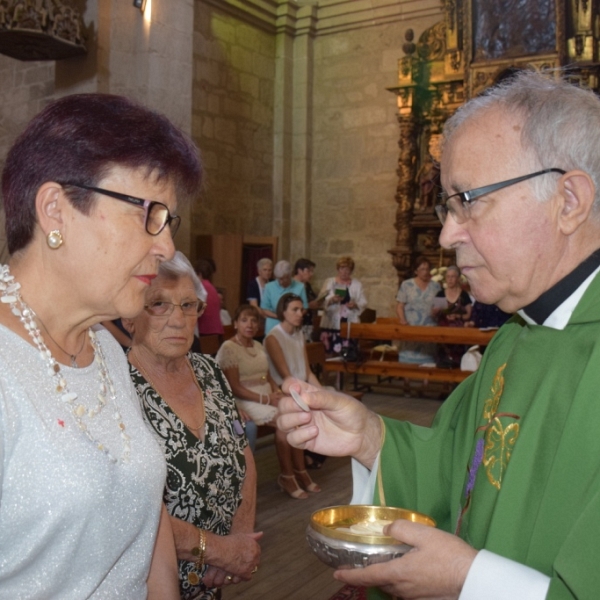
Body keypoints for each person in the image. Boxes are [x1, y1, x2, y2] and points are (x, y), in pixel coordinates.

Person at [277, 70, 600, 600]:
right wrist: (370, 437)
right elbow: (456, 462)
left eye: (468, 199)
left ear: (569, 201)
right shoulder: (515, 341)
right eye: (447, 207)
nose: (449, 233)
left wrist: (471, 582)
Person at [0, 93, 202, 598]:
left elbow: (146, 516)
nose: (168, 247)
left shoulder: (106, 351)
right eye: (148, 213)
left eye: (168, 220)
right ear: (56, 210)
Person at [123, 252, 261, 599]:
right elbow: (130, 513)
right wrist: (218, 551)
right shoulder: (117, 389)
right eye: (158, 305)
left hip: (212, 579)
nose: (178, 320)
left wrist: (239, 540)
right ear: (128, 317)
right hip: (149, 582)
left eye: (188, 305)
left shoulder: (208, 371)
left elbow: (243, 454)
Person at [217, 304, 315, 499]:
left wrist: (277, 393)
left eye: (254, 321)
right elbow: (234, 387)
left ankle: (300, 471)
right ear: (235, 324)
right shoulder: (229, 348)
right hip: (244, 400)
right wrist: (266, 399)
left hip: (266, 397)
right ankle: (287, 476)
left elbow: (268, 376)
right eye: (244, 320)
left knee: (297, 416)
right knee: (284, 424)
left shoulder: (258, 345)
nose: (250, 325)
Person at [265, 293, 322, 495]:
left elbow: (307, 372)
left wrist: (321, 393)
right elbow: (287, 377)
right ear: (283, 312)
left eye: (301, 309)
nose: (300, 314)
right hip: (282, 390)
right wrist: (308, 395)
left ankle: (301, 470)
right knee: (293, 421)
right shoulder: (273, 337)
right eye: (294, 310)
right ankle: (289, 475)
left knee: (327, 401)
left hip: (299, 389)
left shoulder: (298, 334)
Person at [395, 256, 441, 363]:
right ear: (416, 271)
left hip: (429, 327)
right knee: (408, 362)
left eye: (427, 269)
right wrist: (402, 319)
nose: (425, 272)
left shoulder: (436, 286)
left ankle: (426, 379)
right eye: (422, 269)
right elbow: (400, 305)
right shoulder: (406, 285)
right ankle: (406, 379)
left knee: (427, 361)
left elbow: (441, 306)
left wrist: (437, 311)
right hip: (411, 326)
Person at [319, 256, 367, 355]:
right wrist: (332, 299)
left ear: (351, 270)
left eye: (347, 269)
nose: (344, 272)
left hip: (349, 323)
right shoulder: (330, 282)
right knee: (330, 353)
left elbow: (363, 301)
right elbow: (321, 300)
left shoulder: (357, 284)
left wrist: (355, 304)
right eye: (342, 268)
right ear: (338, 269)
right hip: (331, 322)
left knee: (348, 353)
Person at [433, 266, 473, 367]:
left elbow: (469, 315)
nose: (450, 279)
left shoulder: (464, 295)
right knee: (443, 364)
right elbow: (434, 314)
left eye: (453, 276)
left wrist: (457, 316)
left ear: (458, 278)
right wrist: (435, 310)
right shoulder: (441, 293)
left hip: (459, 334)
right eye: (448, 277)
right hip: (443, 334)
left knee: (457, 363)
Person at [260, 260, 308, 335]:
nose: (281, 281)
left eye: (283, 278)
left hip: (292, 327)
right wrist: (280, 316)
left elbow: (305, 308)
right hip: (273, 326)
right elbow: (264, 309)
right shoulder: (269, 287)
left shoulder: (300, 286)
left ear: (289, 275)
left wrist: (293, 317)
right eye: (279, 278)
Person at [195, 258, 224, 338]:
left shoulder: (201, 288)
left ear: (199, 274)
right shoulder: (211, 287)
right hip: (216, 331)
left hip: (205, 331)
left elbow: (197, 310)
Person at [293, 257, 318, 341]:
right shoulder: (292, 285)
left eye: (312, 271)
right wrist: (307, 306)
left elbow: (313, 298)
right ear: (300, 270)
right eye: (309, 271)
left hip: (308, 322)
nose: (311, 274)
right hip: (297, 322)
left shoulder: (307, 285)